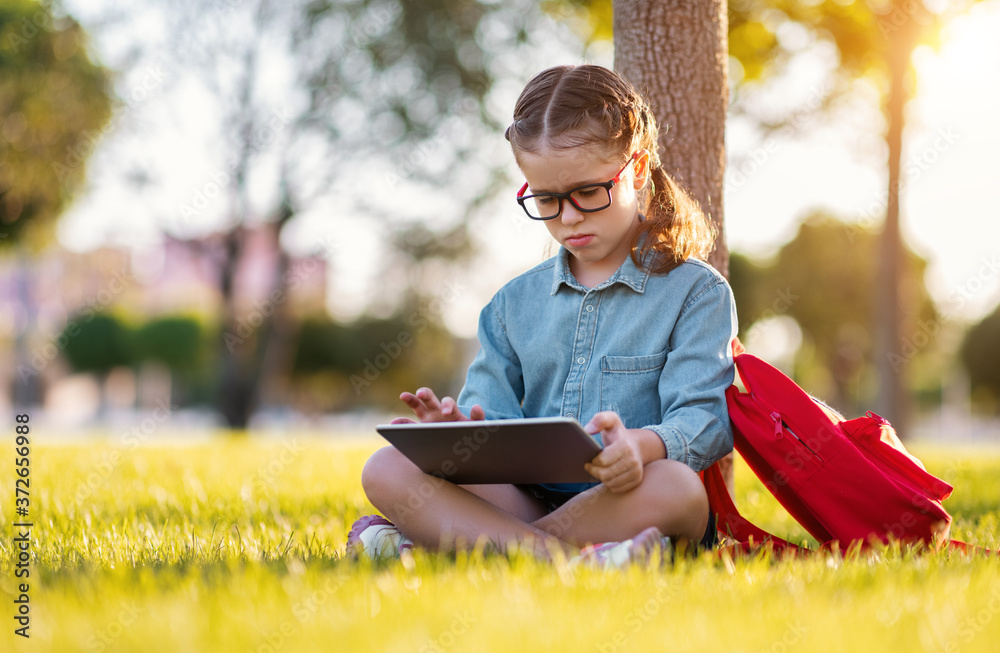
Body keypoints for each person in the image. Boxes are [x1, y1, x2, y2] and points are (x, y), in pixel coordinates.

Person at [349, 64, 737, 566]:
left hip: (629, 498)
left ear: (636, 169)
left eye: (589, 193)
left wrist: (643, 446)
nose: (569, 217)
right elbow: (493, 421)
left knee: (679, 488)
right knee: (387, 467)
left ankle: (472, 544)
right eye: (547, 199)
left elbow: (706, 419)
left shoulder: (696, 291)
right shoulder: (512, 304)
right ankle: (569, 559)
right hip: (525, 499)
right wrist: (455, 432)